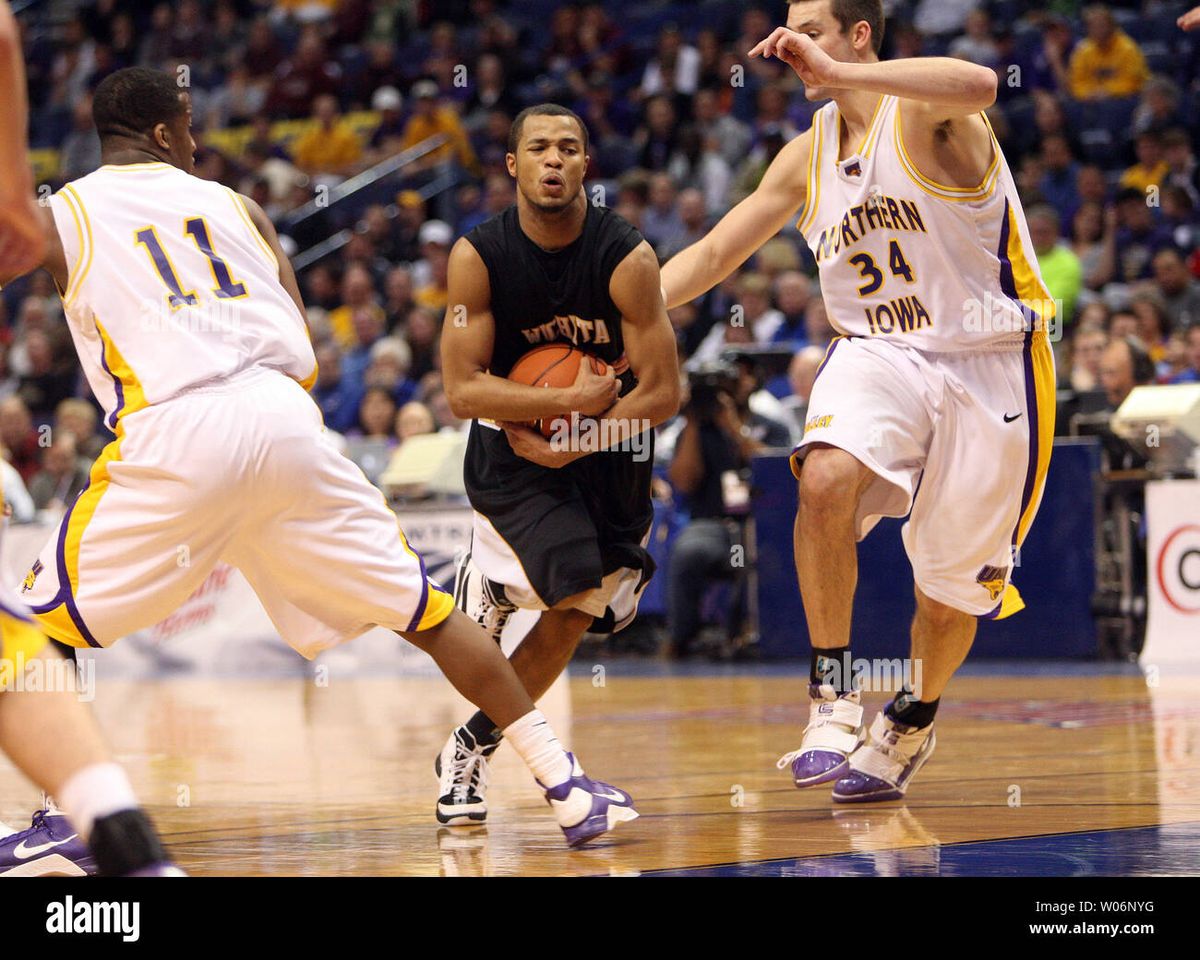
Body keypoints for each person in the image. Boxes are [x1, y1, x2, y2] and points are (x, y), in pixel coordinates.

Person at [1, 66, 639, 849]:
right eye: (191, 125)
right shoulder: (243, 209)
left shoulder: (63, 213)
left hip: (179, 432)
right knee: (426, 612)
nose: (198, 140)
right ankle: (563, 783)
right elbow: (302, 344)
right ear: (166, 134)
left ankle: (70, 817)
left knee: (33, 623)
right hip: (288, 423)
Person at [662, 0, 1056, 803]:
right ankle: (832, 692)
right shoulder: (803, 157)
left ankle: (912, 717)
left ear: (859, 36)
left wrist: (841, 77)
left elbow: (980, 81)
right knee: (825, 476)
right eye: (791, 31)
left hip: (992, 363)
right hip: (878, 350)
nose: (794, 45)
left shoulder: (926, 116)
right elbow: (709, 254)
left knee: (949, 598)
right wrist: (615, 317)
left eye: (813, 31)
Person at [438, 104, 680, 825]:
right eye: (538, 148)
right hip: (512, 449)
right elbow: (461, 388)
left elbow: (665, 390)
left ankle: (472, 736)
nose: (553, 160)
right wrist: (558, 405)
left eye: (568, 148)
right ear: (512, 165)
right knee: (576, 591)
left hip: (610, 452)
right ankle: (471, 763)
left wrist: (580, 433)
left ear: (585, 166)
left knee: (584, 613)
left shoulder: (627, 257)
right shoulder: (477, 257)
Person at [0, 4, 178, 877]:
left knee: (21, 626)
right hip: (260, 425)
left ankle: (112, 847)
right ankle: (130, 853)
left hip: (178, 433)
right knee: (12, 637)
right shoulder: (221, 203)